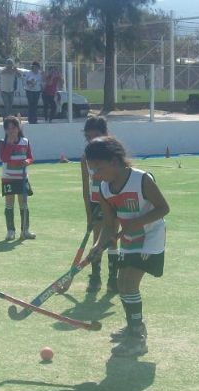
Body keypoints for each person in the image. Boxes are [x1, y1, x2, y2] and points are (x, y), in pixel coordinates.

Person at [86, 136, 169, 357]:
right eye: (91, 169)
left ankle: (137, 338)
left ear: (114, 161)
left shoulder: (141, 180)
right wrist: (97, 246)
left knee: (129, 283)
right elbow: (109, 225)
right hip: (129, 239)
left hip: (150, 236)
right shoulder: (104, 188)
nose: (95, 175)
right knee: (123, 284)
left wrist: (136, 223)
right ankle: (134, 326)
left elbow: (163, 208)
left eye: (98, 168)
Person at [80, 116, 119, 293]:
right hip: (96, 202)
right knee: (97, 239)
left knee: (111, 240)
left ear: (105, 134)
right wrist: (89, 214)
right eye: (88, 137)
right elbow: (85, 188)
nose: (92, 140)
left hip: (113, 202)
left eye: (95, 136)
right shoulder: (85, 158)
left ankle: (113, 278)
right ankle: (95, 277)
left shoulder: (114, 155)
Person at [0, 116, 35, 240]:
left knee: (23, 204)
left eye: (13, 128)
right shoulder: (2, 142)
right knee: (9, 204)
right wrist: (10, 144)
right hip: (8, 178)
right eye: (8, 128)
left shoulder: (25, 141)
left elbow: (30, 157)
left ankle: (25, 230)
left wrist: (27, 161)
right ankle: (10, 231)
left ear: (18, 128)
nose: (11, 131)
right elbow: (4, 158)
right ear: (5, 130)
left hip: (22, 178)